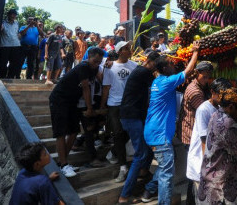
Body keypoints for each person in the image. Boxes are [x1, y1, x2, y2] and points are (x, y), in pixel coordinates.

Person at [142, 41, 200, 204]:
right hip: (160, 135)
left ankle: (149, 189)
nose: (174, 66)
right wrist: (195, 52)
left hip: (154, 131)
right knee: (167, 175)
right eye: (171, 64)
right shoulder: (166, 83)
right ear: (165, 69)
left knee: (165, 167)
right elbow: (187, 72)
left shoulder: (158, 82)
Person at [48, 47, 104, 177]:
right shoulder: (83, 67)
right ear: (88, 57)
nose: (97, 64)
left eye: (99, 62)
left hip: (72, 101)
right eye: (95, 61)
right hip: (59, 99)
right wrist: (90, 108)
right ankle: (63, 164)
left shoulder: (94, 68)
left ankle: (64, 162)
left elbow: (100, 80)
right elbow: (85, 88)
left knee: (73, 131)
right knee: (60, 132)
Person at [196, 88, 237, 205]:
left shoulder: (216, 115)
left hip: (209, 179)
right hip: (220, 189)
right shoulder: (229, 124)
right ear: (231, 107)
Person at [117, 51, 161, 204]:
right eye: (156, 65)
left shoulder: (141, 71)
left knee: (148, 147)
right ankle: (124, 195)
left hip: (133, 116)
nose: (156, 68)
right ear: (149, 61)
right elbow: (160, 82)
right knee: (140, 154)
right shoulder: (144, 72)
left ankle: (143, 171)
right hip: (131, 116)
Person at [186, 78, 231, 203]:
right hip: (202, 162)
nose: (222, 98)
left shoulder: (221, 108)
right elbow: (204, 141)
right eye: (220, 95)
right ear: (212, 92)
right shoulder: (204, 110)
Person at [100, 41, 138, 182]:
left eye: (129, 48)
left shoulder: (135, 66)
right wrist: (103, 106)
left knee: (127, 133)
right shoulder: (109, 67)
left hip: (129, 105)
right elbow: (106, 87)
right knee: (117, 134)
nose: (129, 50)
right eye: (126, 48)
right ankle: (123, 167)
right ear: (119, 51)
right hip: (114, 105)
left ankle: (114, 152)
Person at [177, 60, 213, 205]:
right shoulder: (195, 91)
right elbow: (204, 111)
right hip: (191, 134)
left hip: (194, 133)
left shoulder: (200, 86)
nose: (207, 80)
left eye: (208, 77)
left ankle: (191, 201)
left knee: (195, 175)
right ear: (197, 74)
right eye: (204, 77)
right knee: (196, 172)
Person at [0, 8, 21, 79]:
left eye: (14, 14)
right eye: (11, 14)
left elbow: (17, 33)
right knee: (3, 63)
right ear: (8, 15)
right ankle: (2, 77)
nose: (13, 16)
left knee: (14, 63)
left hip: (16, 45)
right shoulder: (3, 22)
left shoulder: (17, 23)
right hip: (5, 45)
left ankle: (10, 77)